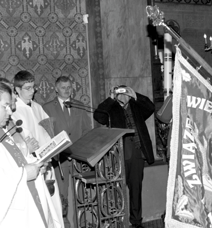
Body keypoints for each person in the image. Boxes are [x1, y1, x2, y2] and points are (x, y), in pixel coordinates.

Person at [0, 81, 49, 227]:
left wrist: (35, 166)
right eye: (5, 106)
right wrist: (23, 174)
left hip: (28, 204)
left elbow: (14, 160)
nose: (10, 112)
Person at [93, 85, 155, 228]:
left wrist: (136, 95)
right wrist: (110, 99)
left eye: (125, 92)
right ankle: (117, 221)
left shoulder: (136, 105)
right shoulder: (111, 108)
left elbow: (151, 107)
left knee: (136, 189)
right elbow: (98, 116)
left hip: (137, 152)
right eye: (120, 93)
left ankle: (136, 222)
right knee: (116, 189)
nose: (123, 95)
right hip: (118, 153)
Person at [11, 70, 64, 227]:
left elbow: (48, 132)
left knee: (53, 205)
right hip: (32, 165)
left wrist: (56, 145)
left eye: (33, 87)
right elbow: (23, 139)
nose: (32, 91)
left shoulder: (37, 107)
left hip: (46, 159)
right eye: (27, 88)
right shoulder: (14, 111)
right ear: (17, 89)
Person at [43, 76, 92, 227]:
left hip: (78, 158)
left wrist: (83, 152)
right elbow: (46, 134)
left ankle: (83, 222)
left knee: (81, 192)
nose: (67, 90)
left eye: (69, 87)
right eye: (63, 87)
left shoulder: (79, 105)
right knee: (62, 195)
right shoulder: (47, 108)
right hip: (60, 159)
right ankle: (65, 224)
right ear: (56, 89)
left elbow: (86, 131)